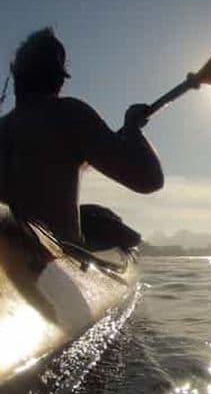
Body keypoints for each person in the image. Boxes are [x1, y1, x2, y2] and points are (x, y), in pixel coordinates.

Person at [0, 27, 163, 243]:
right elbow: (149, 179)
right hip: (47, 258)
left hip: (10, 246)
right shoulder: (70, 115)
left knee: (97, 214)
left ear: (14, 72)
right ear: (60, 79)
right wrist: (133, 129)